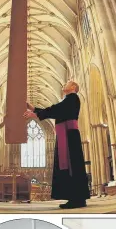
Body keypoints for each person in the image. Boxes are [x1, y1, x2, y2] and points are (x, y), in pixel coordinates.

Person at [24, 81, 90, 209]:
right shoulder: (68, 100)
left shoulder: (73, 98)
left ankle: (77, 199)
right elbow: (56, 110)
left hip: (69, 134)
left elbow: (56, 109)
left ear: (73, 88)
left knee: (72, 165)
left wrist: (35, 114)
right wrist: (33, 109)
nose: (64, 85)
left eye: (67, 83)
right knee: (71, 165)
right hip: (67, 134)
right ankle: (76, 198)